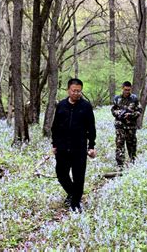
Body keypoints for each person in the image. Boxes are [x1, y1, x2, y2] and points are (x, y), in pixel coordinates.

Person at [51, 78, 96, 212]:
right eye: (74, 91)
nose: (76, 93)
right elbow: (55, 126)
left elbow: (91, 128)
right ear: (68, 90)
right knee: (61, 174)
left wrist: (91, 146)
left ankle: (75, 202)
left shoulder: (86, 106)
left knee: (78, 176)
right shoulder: (61, 105)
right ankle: (72, 193)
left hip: (79, 147)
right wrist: (54, 144)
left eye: (79, 91)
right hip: (62, 147)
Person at [111, 81, 142, 169]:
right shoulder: (117, 98)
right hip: (120, 126)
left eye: (128, 90)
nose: (127, 91)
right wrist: (118, 113)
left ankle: (133, 161)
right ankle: (120, 164)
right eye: (125, 90)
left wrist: (130, 115)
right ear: (122, 88)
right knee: (119, 144)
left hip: (131, 126)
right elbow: (113, 110)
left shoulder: (134, 98)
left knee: (131, 144)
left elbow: (139, 111)